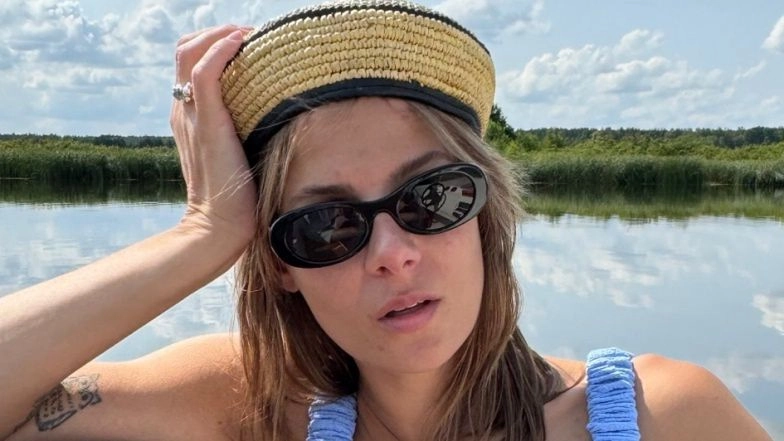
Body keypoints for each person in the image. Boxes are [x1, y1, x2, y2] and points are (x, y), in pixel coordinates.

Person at [0, 1, 774, 440]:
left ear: (486, 211)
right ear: (279, 263)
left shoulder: (659, 415)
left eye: (432, 197)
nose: (393, 253)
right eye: (326, 225)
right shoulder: (252, 410)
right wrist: (202, 233)